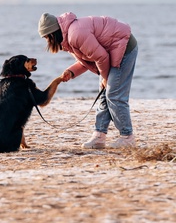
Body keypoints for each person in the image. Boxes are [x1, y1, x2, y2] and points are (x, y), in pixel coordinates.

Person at [38, 12, 138, 149]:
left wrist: (105, 77)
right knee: (104, 95)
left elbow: (101, 57)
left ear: (51, 34)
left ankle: (127, 137)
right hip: (110, 51)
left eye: (46, 38)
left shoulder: (75, 35)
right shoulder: (68, 38)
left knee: (113, 95)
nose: (47, 42)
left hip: (124, 47)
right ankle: (99, 136)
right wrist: (71, 72)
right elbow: (88, 59)